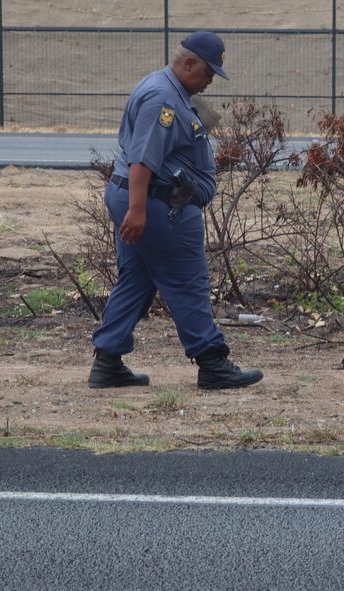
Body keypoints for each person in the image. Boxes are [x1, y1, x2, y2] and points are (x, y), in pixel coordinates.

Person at [88, 31, 263, 390]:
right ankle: (212, 362)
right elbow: (142, 160)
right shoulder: (163, 100)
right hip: (157, 203)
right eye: (207, 72)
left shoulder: (168, 89)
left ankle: (107, 361)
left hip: (146, 199)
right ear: (187, 63)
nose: (210, 80)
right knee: (187, 279)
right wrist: (138, 210)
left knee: (137, 279)